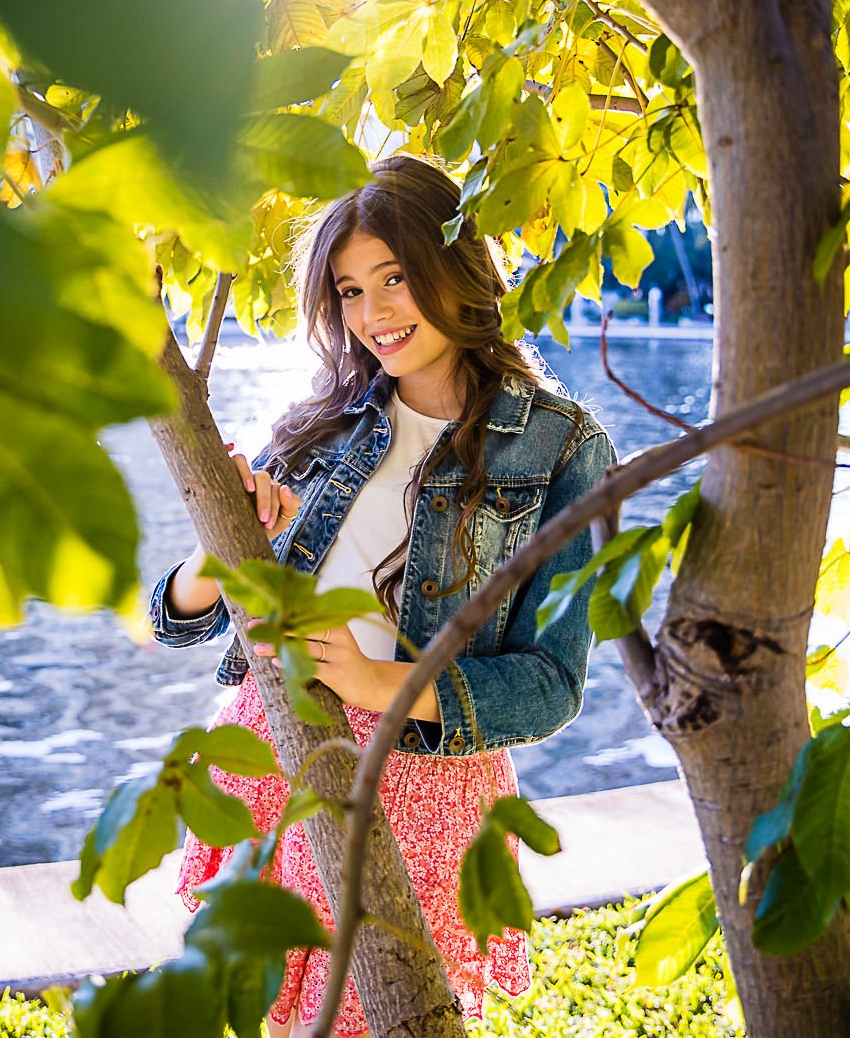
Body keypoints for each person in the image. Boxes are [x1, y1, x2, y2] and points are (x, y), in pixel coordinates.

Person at [147, 155, 618, 1038]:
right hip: (277, 741)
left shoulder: (560, 446)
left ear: (458, 264)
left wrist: (388, 683)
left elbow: (555, 680)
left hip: (425, 780)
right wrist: (220, 553)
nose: (374, 314)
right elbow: (175, 619)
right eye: (351, 290)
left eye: (395, 278)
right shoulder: (322, 420)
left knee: (388, 1015)